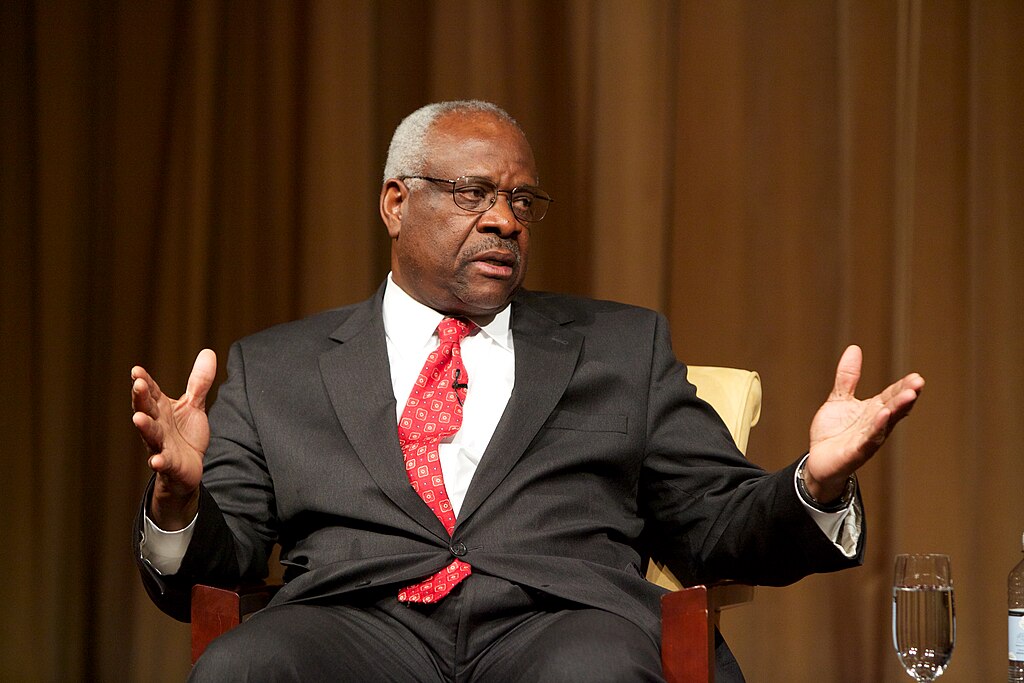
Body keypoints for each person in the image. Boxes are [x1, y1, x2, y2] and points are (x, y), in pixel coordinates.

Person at [131, 100, 924, 682]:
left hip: (561, 627)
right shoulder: (279, 367)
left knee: (599, 673)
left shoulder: (621, 347)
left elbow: (714, 523)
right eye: (472, 194)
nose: (505, 220)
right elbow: (212, 568)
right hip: (351, 627)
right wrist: (179, 504)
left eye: (521, 201)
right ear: (395, 202)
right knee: (247, 667)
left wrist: (814, 483)